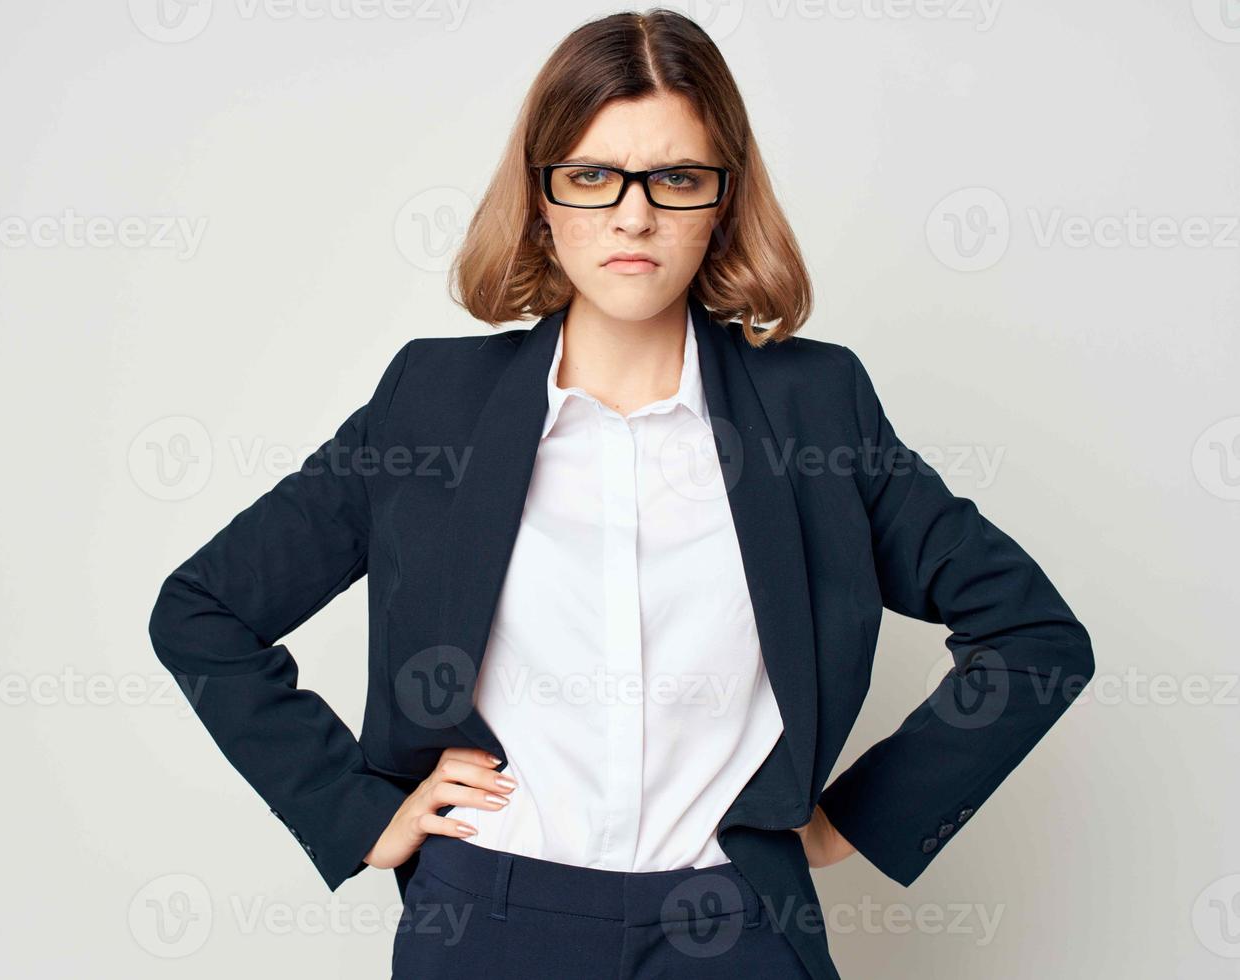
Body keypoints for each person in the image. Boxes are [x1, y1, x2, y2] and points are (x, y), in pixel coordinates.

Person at [148, 10, 1094, 978]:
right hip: (491, 916)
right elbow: (204, 609)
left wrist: (856, 815)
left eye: (676, 178)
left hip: (735, 922)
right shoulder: (432, 407)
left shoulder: (815, 407)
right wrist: (354, 812)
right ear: (541, 197)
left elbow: (1033, 636)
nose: (632, 216)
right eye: (592, 176)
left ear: (722, 200)